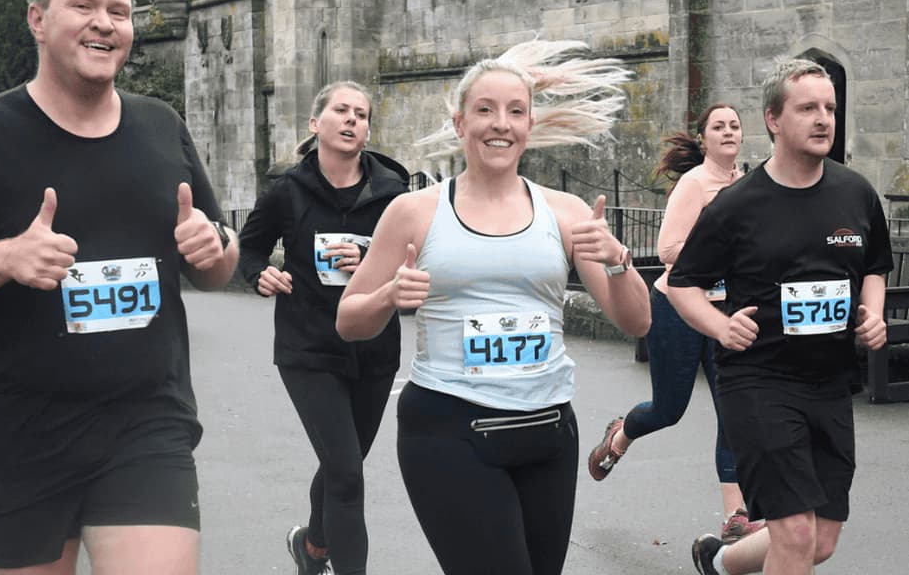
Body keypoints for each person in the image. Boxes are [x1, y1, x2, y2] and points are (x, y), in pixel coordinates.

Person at [0, 0, 238, 574]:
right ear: (38, 19)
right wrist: (5, 258)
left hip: (145, 423)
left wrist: (214, 246)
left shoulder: (162, 127)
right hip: (15, 431)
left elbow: (216, 266)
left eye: (121, 11)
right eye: (84, 5)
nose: (105, 23)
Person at [336, 41, 651, 575]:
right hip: (448, 430)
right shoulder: (414, 212)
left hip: (549, 428)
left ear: (530, 126)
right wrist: (390, 296)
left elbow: (637, 321)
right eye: (484, 110)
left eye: (515, 111)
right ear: (460, 123)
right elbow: (349, 320)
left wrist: (618, 259)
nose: (499, 124)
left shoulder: (568, 212)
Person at [664, 59, 891, 575]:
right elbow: (683, 284)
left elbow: (876, 265)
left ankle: (719, 563)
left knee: (821, 541)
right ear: (773, 119)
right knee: (793, 532)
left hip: (832, 383)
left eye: (829, 108)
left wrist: (872, 314)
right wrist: (720, 326)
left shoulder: (855, 192)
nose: (823, 119)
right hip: (759, 381)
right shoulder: (736, 206)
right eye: (807, 108)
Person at [237, 81, 409, 575]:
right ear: (316, 124)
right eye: (342, 110)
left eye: (361, 113)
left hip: (375, 349)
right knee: (348, 474)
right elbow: (250, 248)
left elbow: (419, 256)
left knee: (343, 465)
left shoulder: (392, 194)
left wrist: (372, 257)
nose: (353, 119)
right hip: (308, 349)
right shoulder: (287, 193)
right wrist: (257, 274)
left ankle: (312, 549)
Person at [587, 103, 764, 542]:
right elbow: (668, 251)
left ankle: (735, 515)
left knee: (733, 410)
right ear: (704, 139)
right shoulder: (693, 183)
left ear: (742, 136)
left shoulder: (749, 186)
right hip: (678, 308)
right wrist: (724, 254)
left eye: (734, 126)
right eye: (718, 126)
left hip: (726, 312)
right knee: (669, 409)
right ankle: (619, 436)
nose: (728, 132)